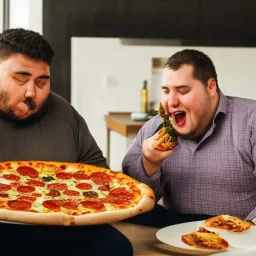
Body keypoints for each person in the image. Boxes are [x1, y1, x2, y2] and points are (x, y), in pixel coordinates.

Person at [0, 28, 133, 256]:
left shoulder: (64, 112)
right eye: (21, 79)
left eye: (41, 82)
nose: (31, 92)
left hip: (61, 227)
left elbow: (100, 176)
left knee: (118, 247)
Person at [122, 49, 256, 226]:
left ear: (211, 87)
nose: (171, 102)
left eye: (182, 91)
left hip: (244, 241)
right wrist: (149, 164)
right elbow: (131, 200)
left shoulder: (250, 121)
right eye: (166, 91)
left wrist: (246, 234)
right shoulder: (154, 128)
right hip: (174, 239)